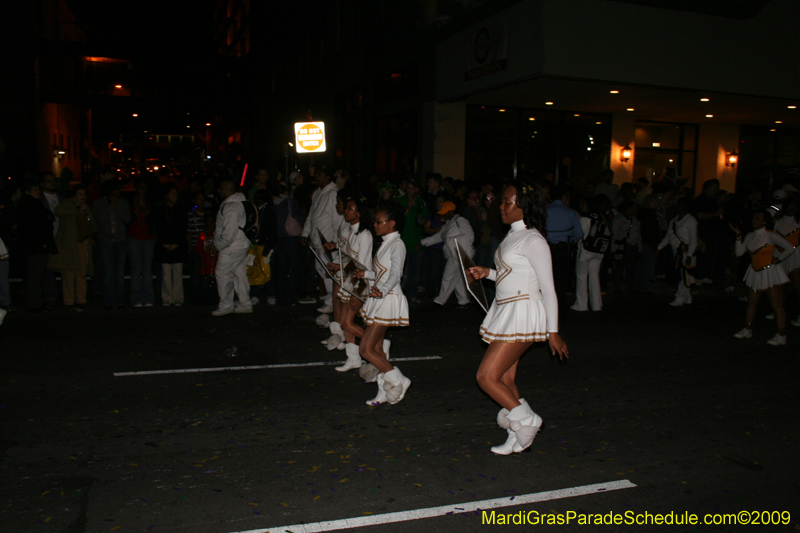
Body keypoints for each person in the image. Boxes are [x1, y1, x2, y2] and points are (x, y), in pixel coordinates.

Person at [468, 180, 568, 455]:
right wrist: (487, 273)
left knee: (486, 377)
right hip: (507, 309)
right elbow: (512, 274)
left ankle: (527, 420)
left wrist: (553, 331)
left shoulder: (534, 240)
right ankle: (517, 434)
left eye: (507, 201)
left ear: (524, 206)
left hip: (523, 312)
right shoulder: (513, 235)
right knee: (506, 380)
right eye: (501, 201)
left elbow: (547, 287)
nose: (501, 206)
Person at [353, 203, 411, 406]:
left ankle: (399, 379)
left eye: (379, 222)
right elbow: (382, 272)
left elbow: (396, 273)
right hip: (380, 297)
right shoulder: (387, 242)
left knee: (366, 349)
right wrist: (366, 274)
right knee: (377, 351)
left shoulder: (397, 244)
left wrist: (383, 290)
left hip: (388, 298)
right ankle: (383, 391)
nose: (375, 225)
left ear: (392, 223)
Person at [731, 210, 796, 345]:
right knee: (752, 302)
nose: (754, 220)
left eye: (758, 218)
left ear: (765, 221)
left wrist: (778, 259)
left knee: (776, 304)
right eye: (753, 218)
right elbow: (739, 252)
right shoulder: (750, 235)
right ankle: (747, 329)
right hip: (755, 272)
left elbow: (790, 248)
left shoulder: (771, 235)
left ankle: (781, 334)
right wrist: (738, 236)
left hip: (770, 272)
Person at [332, 196, 375, 372]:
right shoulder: (351, 231)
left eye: (350, 208)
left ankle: (378, 343)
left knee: (346, 323)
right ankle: (353, 359)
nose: (345, 211)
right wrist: (338, 266)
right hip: (351, 280)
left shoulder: (364, 235)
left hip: (360, 284)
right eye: (347, 207)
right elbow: (351, 261)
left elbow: (362, 265)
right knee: (345, 322)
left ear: (359, 213)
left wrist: (357, 292)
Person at [301, 167, 343, 314]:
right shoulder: (318, 193)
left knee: (329, 271)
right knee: (321, 269)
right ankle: (330, 297)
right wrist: (305, 233)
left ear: (327, 177)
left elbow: (337, 219)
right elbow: (311, 216)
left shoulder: (333, 193)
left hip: (327, 242)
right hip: (318, 241)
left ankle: (332, 303)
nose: (317, 177)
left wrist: (335, 242)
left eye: (320, 174)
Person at [48, 186, 96, 311]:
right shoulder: (67, 204)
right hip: (69, 245)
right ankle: (68, 301)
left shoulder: (87, 207)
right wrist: (76, 210)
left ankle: (81, 300)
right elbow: (58, 211)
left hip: (83, 244)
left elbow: (93, 227)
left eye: (84, 194)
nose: (82, 197)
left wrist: (89, 217)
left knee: (81, 273)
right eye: (79, 194)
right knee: (68, 275)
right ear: (74, 195)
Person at [419, 200, 474, 307]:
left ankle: (440, 301)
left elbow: (470, 236)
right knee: (457, 279)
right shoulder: (449, 223)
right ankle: (464, 301)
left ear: (451, 211)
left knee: (447, 277)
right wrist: (424, 242)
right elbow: (440, 236)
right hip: (454, 254)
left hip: (459, 254)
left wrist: (452, 241)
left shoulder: (460, 220)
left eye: (445, 212)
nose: (442, 215)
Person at [212, 180, 252, 316]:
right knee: (239, 274)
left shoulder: (231, 206)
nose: (219, 191)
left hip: (232, 246)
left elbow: (229, 232)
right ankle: (245, 303)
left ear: (228, 190)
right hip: (240, 244)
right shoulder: (239, 202)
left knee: (222, 273)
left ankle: (226, 305)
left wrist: (219, 244)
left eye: (221, 188)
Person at [18, 181, 57, 311]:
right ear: (27, 192)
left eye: (37, 190)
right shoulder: (30, 205)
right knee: (36, 275)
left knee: (38, 274)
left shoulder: (33, 204)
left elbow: (48, 218)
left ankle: (36, 301)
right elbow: (42, 223)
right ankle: (34, 303)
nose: (37, 192)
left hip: (35, 245)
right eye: (34, 190)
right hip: (36, 246)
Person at [92, 180, 131, 309]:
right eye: (114, 190)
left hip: (121, 241)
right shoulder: (98, 203)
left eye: (118, 190)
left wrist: (116, 206)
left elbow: (127, 219)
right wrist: (110, 206)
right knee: (108, 272)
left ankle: (119, 300)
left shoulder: (122, 202)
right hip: (105, 241)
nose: (116, 193)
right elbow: (101, 220)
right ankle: (109, 300)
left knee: (119, 272)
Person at [545, 185, 583, 305]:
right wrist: (570, 241)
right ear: (564, 197)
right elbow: (579, 233)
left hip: (547, 249)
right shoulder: (570, 212)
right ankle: (560, 308)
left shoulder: (545, 210)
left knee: (547, 280)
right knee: (561, 282)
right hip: (563, 250)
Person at [572, 195, 611, 312]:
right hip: (598, 251)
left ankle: (581, 305)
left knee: (581, 277)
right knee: (594, 277)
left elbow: (579, 235)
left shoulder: (585, 218)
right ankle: (596, 304)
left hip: (585, 251)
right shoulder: (603, 218)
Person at [657, 197, 698, 306]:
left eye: (683, 206)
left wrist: (690, 254)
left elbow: (693, 239)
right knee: (683, 275)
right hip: (677, 252)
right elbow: (668, 237)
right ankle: (687, 296)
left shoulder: (691, 220)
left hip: (686, 251)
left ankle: (679, 297)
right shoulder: (674, 221)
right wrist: (659, 248)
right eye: (679, 205)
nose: (680, 208)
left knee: (684, 275)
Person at [153, 183, 188, 306]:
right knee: (166, 274)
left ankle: (178, 298)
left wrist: (177, 244)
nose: (175, 196)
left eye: (176, 194)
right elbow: (158, 228)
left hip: (177, 245)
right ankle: (167, 298)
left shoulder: (181, 209)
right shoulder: (160, 209)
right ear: (166, 195)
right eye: (172, 194)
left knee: (177, 273)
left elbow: (183, 228)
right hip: (164, 245)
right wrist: (164, 243)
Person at [398, 180, 429, 300]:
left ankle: (412, 293)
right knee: (401, 269)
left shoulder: (421, 202)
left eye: (412, 188)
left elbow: (425, 219)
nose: (409, 190)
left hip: (417, 241)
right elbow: (397, 219)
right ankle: (399, 292)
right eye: (408, 188)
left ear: (417, 189)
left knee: (415, 270)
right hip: (404, 240)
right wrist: (407, 208)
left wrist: (424, 222)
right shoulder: (401, 201)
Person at [128, 179, 156, 307]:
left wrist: (146, 211)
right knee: (136, 269)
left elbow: (154, 219)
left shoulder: (150, 201)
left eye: (144, 188)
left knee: (147, 269)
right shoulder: (131, 201)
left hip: (148, 238)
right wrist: (136, 210)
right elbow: (128, 220)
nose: (142, 190)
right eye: (140, 188)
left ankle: (148, 298)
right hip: (134, 238)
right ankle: (136, 298)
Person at [774, 198, 800, 327]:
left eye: (794, 206)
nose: (791, 209)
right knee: (779, 286)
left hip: (795, 256)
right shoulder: (778, 222)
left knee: (798, 285)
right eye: (789, 206)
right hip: (779, 255)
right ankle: (778, 311)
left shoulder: (798, 222)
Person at [186, 191, 207, 305]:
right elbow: (188, 232)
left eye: (203, 199)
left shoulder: (207, 214)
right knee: (195, 273)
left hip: (206, 248)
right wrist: (190, 246)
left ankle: (205, 295)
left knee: (206, 272)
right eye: (199, 199)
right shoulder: (191, 215)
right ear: (194, 201)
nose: (201, 202)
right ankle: (195, 297)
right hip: (195, 247)